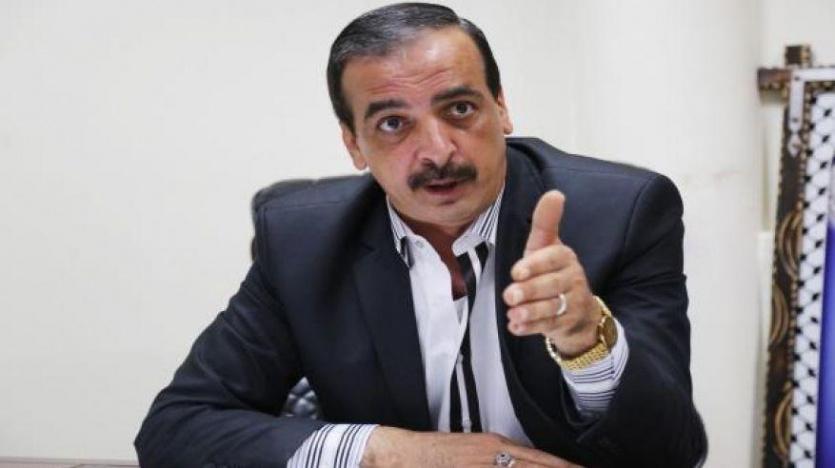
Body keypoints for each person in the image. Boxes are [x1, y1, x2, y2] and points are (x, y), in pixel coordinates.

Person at [135, 3, 707, 467]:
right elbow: (177, 428)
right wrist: (399, 453)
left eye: (459, 108)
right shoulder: (301, 241)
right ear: (354, 144)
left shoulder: (620, 215)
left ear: (502, 108)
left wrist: (586, 341)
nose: (437, 151)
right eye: (393, 124)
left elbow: (670, 452)